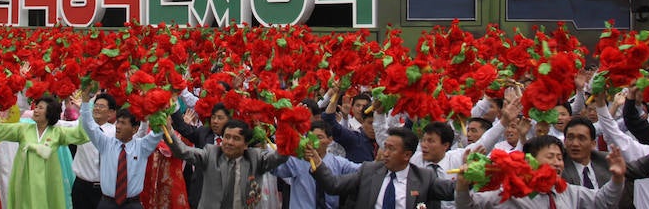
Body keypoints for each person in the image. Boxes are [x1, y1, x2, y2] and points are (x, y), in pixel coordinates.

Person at [454, 135, 626, 208]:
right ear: (531, 161)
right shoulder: (510, 193)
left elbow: (603, 201)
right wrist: (462, 186)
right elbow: (469, 206)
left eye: (559, 158)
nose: (557, 163)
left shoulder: (569, 192)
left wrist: (617, 179)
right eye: (550, 157)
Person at [307, 126, 455, 209]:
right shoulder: (369, 171)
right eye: (385, 147)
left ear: (407, 155)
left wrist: (471, 175)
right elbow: (334, 185)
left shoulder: (424, 177)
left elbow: (451, 190)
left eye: (392, 149)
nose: (385, 153)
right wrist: (317, 162)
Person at [0, 95, 89, 209]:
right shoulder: (23, 129)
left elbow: (80, 135)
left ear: (50, 112)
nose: (36, 110)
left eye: (40, 108)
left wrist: (85, 108)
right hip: (25, 183)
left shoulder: (57, 132)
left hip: (48, 183)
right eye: (36, 107)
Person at [166, 116, 288, 209]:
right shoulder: (211, 154)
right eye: (227, 137)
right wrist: (169, 131)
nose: (229, 142)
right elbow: (182, 151)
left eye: (236, 139)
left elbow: (280, 157)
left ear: (246, 144)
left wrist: (291, 132)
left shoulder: (256, 158)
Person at [79, 92, 164, 209]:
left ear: (134, 129)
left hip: (132, 204)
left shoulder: (142, 147)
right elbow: (88, 124)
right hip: (107, 203)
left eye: (123, 123)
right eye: (118, 122)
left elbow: (158, 131)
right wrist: (84, 100)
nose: (118, 126)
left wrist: (155, 105)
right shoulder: (105, 143)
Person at [561, 115, 649, 209]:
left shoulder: (605, 160)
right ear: (564, 142)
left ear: (593, 144)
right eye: (570, 138)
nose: (574, 143)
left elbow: (637, 168)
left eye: (581, 138)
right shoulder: (559, 167)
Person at [273, 119, 359, 209]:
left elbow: (363, 172)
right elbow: (273, 167)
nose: (314, 142)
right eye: (311, 138)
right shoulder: (297, 160)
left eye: (320, 137)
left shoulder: (339, 163)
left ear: (330, 140)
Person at [170, 102, 230, 207]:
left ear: (229, 120)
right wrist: (174, 102)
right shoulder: (203, 133)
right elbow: (182, 127)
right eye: (213, 117)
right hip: (201, 193)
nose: (215, 121)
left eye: (220, 118)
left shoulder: (235, 140)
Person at [71, 93, 118, 209]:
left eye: (101, 106)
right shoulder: (81, 127)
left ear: (111, 113)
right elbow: (61, 125)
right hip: (81, 187)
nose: (97, 108)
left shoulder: (116, 133)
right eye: (95, 105)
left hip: (105, 190)